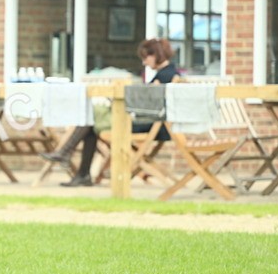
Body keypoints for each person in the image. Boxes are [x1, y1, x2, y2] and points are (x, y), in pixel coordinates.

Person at [39, 37, 178, 186]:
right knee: (91, 124)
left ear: (155, 55)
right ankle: (80, 171)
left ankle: (68, 156)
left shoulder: (164, 76)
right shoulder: (168, 73)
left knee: (91, 119)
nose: (144, 63)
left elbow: (148, 105)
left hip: (152, 125)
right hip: (151, 122)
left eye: (145, 58)